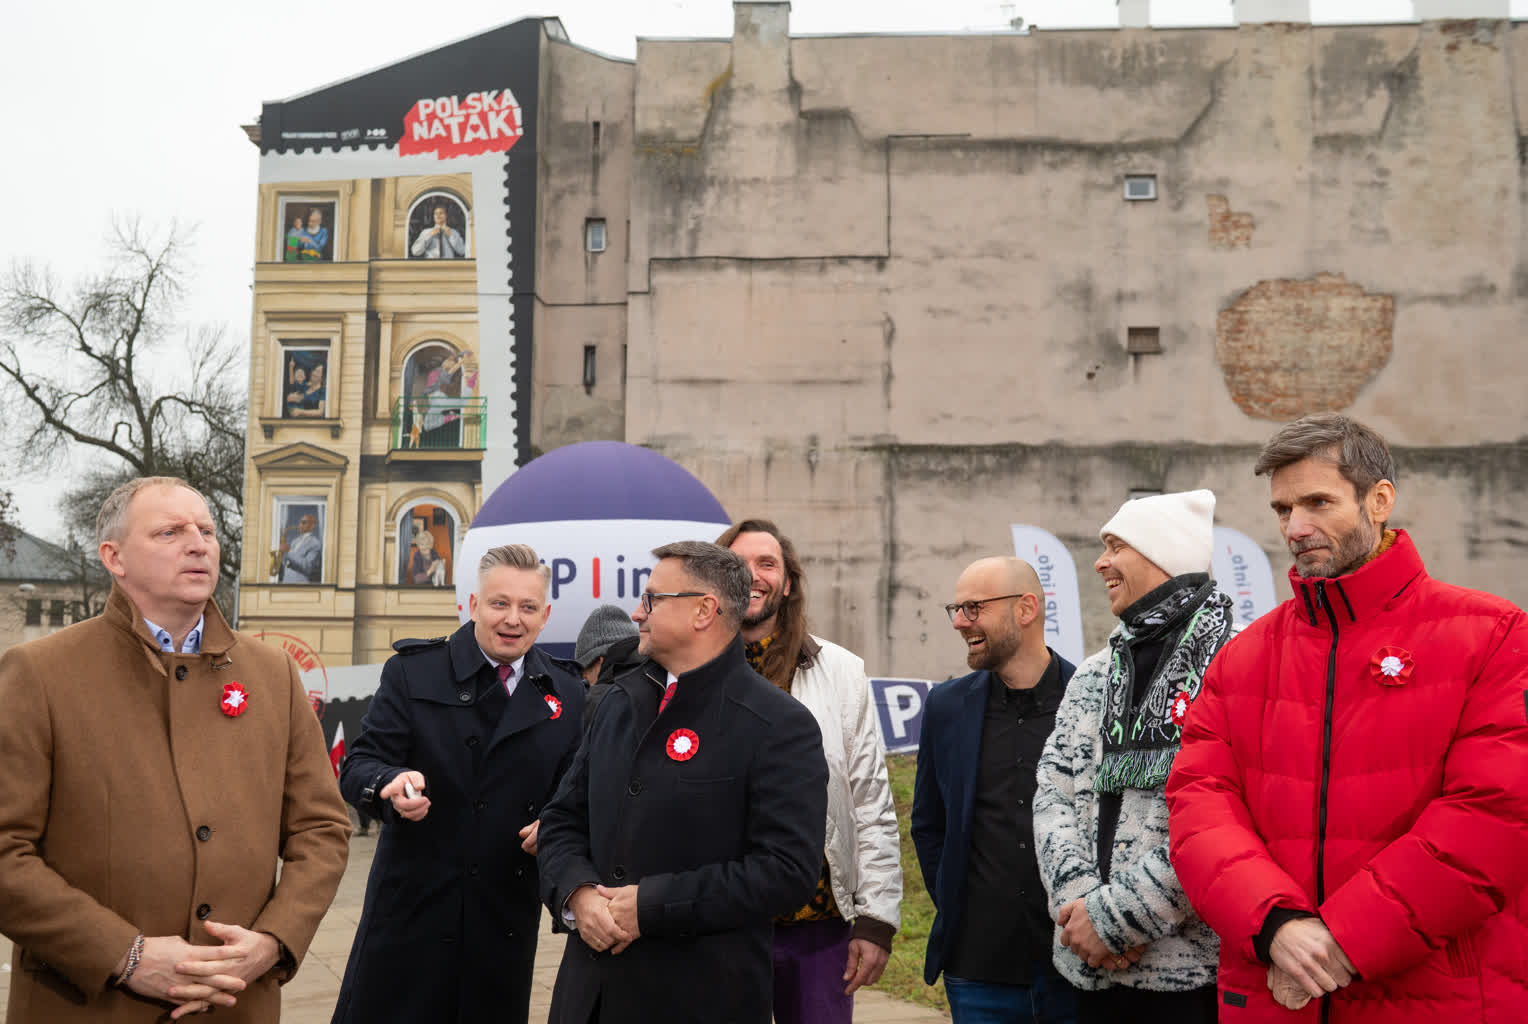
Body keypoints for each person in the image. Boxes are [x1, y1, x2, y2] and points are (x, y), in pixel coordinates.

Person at [1167, 414, 1528, 1020]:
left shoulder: (1494, 635)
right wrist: (1275, 923)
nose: (1296, 527)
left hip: (1435, 997)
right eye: (1283, 509)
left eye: (1318, 502)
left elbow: (1494, 815)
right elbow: (1198, 803)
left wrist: (1343, 942)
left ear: (1379, 500)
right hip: (1274, 991)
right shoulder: (1242, 657)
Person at [0, 476, 350, 1022]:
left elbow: (321, 829)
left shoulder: (273, 674)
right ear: (113, 557)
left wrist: (273, 940)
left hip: (236, 1002)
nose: (198, 543)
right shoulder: (40, 673)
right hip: (92, 1005)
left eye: (207, 530)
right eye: (169, 532)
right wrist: (125, 955)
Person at [537, 541, 828, 1024]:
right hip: (589, 1000)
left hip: (702, 998)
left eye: (652, 599)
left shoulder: (778, 725)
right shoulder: (616, 702)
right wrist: (577, 894)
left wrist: (651, 906)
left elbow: (785, 871)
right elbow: (562, 820)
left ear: (703, 610)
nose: (636, 613)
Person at [332, 543, 586, 1024]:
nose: (513, 618)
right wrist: (387, 783)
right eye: (499, 603)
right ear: (473, 605)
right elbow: (359, 764)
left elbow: (574, 794)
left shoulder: (567, 692)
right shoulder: (412, 672)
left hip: (503, 918)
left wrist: (554, 823)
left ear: (545, 614)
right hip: (413, 915)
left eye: (527, 607)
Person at [1034, 490, 1230, 1023]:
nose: (1100, 562)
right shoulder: (1096, 674)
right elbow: (1052, 792)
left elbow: (1224, 820)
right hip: (1088, 965)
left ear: (1159, 554)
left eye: (1115, 546)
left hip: (1189, 977)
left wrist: (1119, 920)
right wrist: (1081, 911)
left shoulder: (1233, 666)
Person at [718, 519, 901, 1024]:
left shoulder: (840, 671)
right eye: (737, 564)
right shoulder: (692, 673)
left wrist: (876, 919)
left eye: (767, 564)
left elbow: (870, 801)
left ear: (789, 582)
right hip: (721, 925)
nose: (752, 575)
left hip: (818, 928)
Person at [912, 556, 1079, 1023]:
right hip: (977, 970)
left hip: (1077, 969)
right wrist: (956, 904)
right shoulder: (947, 707)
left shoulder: (1092, 699)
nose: (960, 622)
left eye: (973, 608)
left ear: (1025, 609)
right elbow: (929, 824)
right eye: (957, 609)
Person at [573, 603, 640, 687]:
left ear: (600, 662)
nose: (587, 686)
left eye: (586, 679)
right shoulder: (656, 673)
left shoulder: (605, 697)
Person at [279, 512, 322, 583]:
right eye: (300, 522)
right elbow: (289, 562)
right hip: (286, 581)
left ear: (312, 526)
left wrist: (288, 551)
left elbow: (307, 566)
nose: (300, 525)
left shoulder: (315, 543)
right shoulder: (295, 541)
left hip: (300, 582)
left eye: (304, 523)